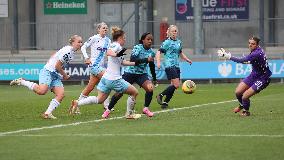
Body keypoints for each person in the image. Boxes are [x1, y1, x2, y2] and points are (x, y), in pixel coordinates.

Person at [69, 26, 148, 119]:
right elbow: (109, 52)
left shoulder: (111, 43)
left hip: (106, 78)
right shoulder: (116, 45)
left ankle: (78, 102)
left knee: (99, 99)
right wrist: (116, 54)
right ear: (120, 38)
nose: (125, 40)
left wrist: (138, 62)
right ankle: (129, 114)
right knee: (134, 92)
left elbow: (123, 62)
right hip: (113, 78)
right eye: (124, 38)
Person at [10, 35, 83, 119]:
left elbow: (55, 55)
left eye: (81, 42)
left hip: (55, 74)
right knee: (42, 91)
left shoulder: (71, 52)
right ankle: (22, 81)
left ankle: (47, 113)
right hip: (48, 71)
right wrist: (65, 75)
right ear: (73, 42)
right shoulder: (68, 51)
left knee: (61, 94)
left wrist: (51, 61)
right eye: (78, 42)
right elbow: (57, 66)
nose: (80, 44)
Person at [217, 36, 272, 116]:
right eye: (249, 43)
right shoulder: (256, 50)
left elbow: (242, 61)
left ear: (257, 45)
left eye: (253, 44)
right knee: (238, 92)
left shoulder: (257, 53)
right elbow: (247, 61)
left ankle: (246, 112)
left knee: (245, 96)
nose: (250, 45)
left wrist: (228, 56)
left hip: (263, 78)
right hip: (254, 75)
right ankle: (242, 105)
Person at [106, 32, 157, 117]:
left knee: (150, 88)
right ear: (143, 40)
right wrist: (146, 59)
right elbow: (133, 59)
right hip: (130, 73)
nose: (150, 41)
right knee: (119, 92)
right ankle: (108, 110)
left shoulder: (152, 52)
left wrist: (154, 79)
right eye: (148, 39)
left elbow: (152, 65)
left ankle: (146, 108)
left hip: (142, 74)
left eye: (151, 40)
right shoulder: (137, 48)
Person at [75, 22, 111, 114]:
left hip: (101, 66)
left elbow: (108, 53)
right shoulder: (94, 38)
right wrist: (86, 58)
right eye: (103, 28)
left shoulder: (108, 40)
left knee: (90, 87)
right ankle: (107, 106)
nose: (105, 29)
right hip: (94, 65)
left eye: (106, 28)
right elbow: (83, 47)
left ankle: (77, 104)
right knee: (108, 79)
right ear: (98, 29)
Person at [156, 25, 192, 109]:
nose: (174, 32)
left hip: (176, 65)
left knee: (173, 86)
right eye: (173, 31)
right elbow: (158, 52)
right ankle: (160, 95)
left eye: (175, 31)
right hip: (169, 65)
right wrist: (158, 62)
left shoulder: (179, 42)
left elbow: (180, 53)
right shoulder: (167, 42)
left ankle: (165, 102)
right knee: (176, 85)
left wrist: (187, 59)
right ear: (169, 32)